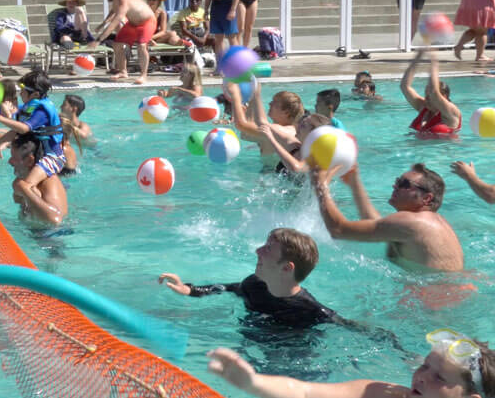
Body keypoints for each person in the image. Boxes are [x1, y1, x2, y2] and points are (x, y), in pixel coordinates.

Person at [207, 331, 495, 398]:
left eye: (440, 377)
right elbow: (306, 392)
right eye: (424, 365)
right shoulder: (386, 394)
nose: (420, 378)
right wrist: (252, 382)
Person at [159, 228, 341, 328]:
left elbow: (351, 329)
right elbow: (226, 288)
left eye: (268, 249)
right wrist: (189, 289)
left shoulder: (312, 311)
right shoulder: (253, 285)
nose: (257, 251)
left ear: (286, 268)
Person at [313, 162, 464, 272]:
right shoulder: (429, 221)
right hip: (449, 291)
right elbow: (377, 224)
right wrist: (354, 182)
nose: (395, 186)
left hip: (433, 299)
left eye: (404, 184)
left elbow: (338, 230)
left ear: (426, 198)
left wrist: (320, 186)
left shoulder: (411, 222)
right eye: (397, 181)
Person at [0, 70, 66, 193]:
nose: (20, 93)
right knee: (20, 187)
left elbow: (23, 128)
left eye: (23, 90)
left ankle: (33, 211)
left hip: (52, 157)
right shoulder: (30, 108)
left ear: (35, 94)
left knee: (26, 186)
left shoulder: (41, 112)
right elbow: (15, 131)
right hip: (39, 155)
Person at [92, 0, 155, 84]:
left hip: (147, 22)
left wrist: (98, 40)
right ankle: (123, 71)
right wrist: (103, 24)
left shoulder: (123, 0)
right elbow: (113, 11)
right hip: (133, 24)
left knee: (142, 46)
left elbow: (115, 22)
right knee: (117, 44)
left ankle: (143, 75)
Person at [9, 133, 68, 226]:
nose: (10, 161)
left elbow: (55, 219)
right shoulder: (24, 179)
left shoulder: (49, 181)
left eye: (14, 157)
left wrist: (24, 189)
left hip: (53, 236)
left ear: (29, 160)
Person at [401, 51, 461, 137]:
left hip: (445, 149)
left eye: (429, 96)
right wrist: (418, 57)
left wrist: (433, 61)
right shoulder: (424, 108)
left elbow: (433, 91)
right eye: (426, 95)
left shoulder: (451, 112)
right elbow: (404, 86)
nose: (426, 98)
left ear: (444, 97)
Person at [59, 94, 91, 175]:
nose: (60, 106)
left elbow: (84, 135)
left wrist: (67, 125)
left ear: (74, 109)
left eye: (64, 104)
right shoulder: (61, 124)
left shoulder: (82, 126)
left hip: (92, 152)